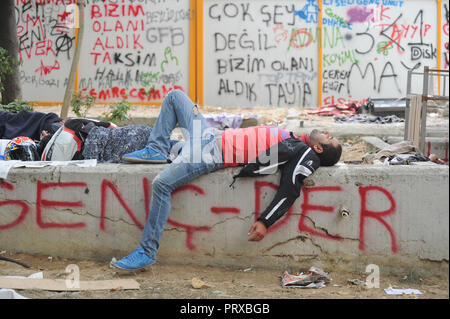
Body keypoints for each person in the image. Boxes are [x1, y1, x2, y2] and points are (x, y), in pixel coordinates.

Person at [110, 89, 342, 271]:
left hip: (210, 153)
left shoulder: (305, 152)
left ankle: (147, 252)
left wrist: (266, 221)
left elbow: (290, 189)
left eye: (329, 138)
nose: (326, 131)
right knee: (174, 96)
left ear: (319, 148)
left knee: (162, 183)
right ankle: (155, 149)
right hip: (211, 135)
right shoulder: (293, 137)